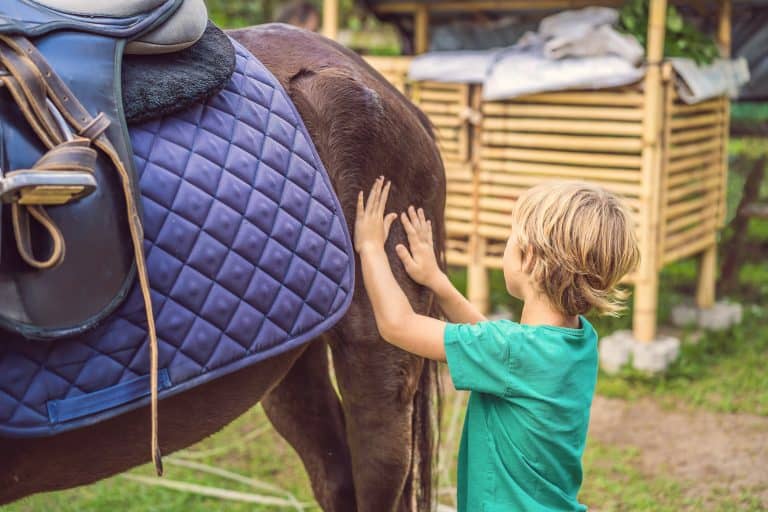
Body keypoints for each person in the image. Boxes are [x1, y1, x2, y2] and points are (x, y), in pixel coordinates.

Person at [354, 177, 640, 511]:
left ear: (528, 258)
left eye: (511, 237)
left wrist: (371, 248)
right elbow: (497, 350)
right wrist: (439, 283)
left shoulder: (510, 352)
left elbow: (398, 326)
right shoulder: (579, 341)